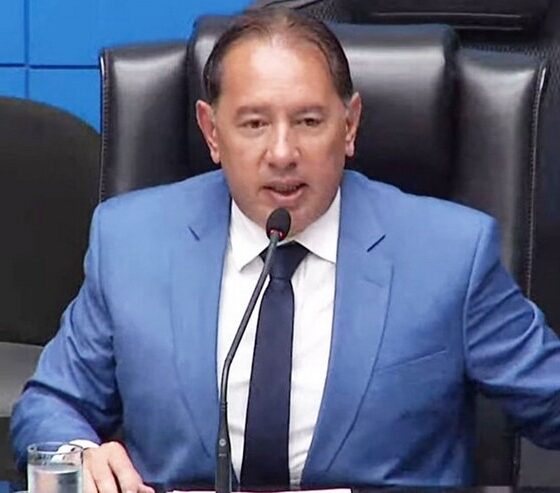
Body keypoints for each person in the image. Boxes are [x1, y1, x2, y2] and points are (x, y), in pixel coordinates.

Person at [10, 7, 560, 493]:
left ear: (350, 125)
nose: (282, 153)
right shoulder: (131, 240)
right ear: (212, 132)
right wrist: (79, 456)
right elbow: (52, 405)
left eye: (309, 121)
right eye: (253, 123)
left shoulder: (450, 253)